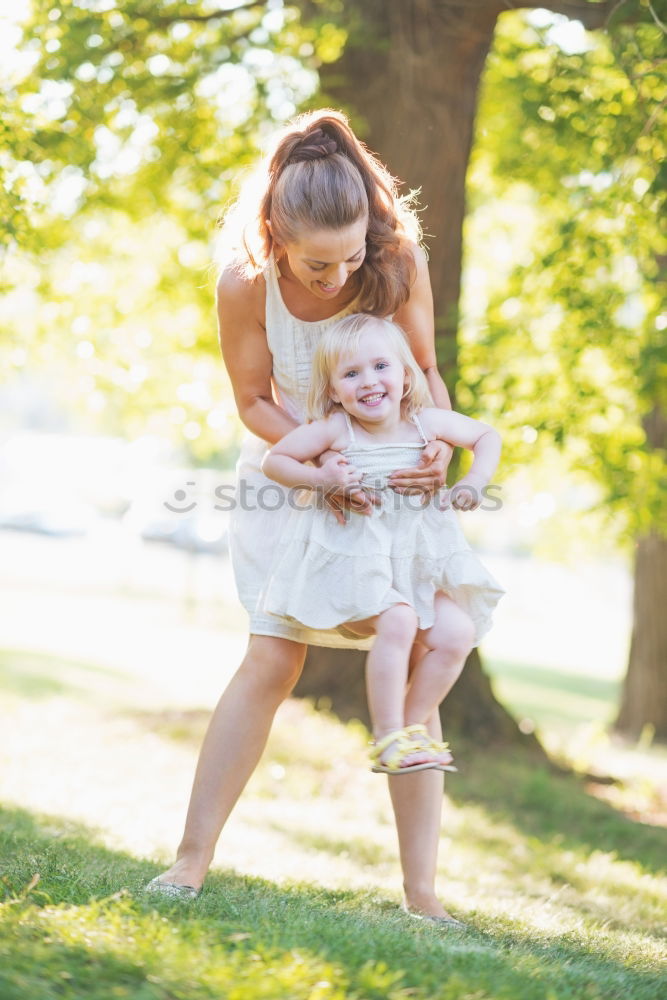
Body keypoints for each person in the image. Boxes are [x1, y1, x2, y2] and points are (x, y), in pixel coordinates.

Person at [147, 108, 470, 923]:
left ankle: (422, 897)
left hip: (393, 489)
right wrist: (326, 465)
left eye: (349, 257)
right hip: (293, 477)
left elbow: (425, 372)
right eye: (316, 263)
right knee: (272, 660)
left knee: (425, 646)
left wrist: (435, 446)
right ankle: (189, 862)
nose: (334, 277)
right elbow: (253, 401)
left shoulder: (397, 262)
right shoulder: (244, 281)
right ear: (273, 235)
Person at [260, 314, 504, 776]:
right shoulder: (337, 431)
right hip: (355, 569)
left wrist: (475, 480)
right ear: (333, 390)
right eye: (351, 374)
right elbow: (277, 461)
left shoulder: (425, 423)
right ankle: (388, 733)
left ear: (405, 374)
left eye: (380, 367)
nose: (368, 382)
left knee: (457, 634)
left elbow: (486, 435)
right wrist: (320, 478)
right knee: (400, 619)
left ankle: (411, 732)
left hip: (413, 567)